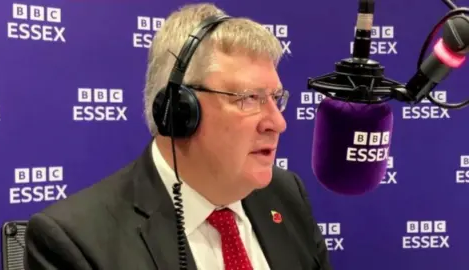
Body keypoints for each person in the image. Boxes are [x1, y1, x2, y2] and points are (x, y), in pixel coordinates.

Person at [24, 3, 332, 270]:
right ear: (180, 111)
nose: (277, 123)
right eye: (249, 98)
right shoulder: (75, 241)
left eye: (275, 98)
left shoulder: (287, 194)